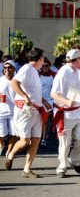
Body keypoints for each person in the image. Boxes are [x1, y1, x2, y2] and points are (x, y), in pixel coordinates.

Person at [51, 49, 80, 178]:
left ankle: (74, 160)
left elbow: (76, 90)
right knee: (65, 142)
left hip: (77, 111)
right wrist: (66, 101)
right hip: (65, 113)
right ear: (76, 59)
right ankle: (61, 167)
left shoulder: (75, 71)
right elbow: (53, 93)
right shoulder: (63, 72)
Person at [5, 48, 46, 178]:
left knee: (35, 140)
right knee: (24, 141)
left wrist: (43, 101)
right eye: (43, 58)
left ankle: (27, 169)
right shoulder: (27, 69)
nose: (43, 60)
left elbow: (33, 90)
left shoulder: (35, 71)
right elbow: (14, 83)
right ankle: (10, 154)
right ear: (40, 59)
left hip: (37, 110)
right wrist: (25, 97)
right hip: (26, 110)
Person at [0, 60, 17, 156]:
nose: (7, 69)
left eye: (9, 67)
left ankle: (9, 150)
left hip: (14, 111)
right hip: (1, 111)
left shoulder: (17, 81)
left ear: (14, 69)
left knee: (14, 133)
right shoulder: (0, 80)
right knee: (1, 134)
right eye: (5, 68)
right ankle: (2, 145)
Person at [39, 58, 56, 147]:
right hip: (39, 99)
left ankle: (43, 139)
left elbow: (56, 89)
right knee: (40, 119)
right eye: (43, 66)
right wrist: (43, 101)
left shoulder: (53, 75)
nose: (44, 67)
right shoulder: (38, 75)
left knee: (45, 118)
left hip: (50, 100)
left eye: (46, 66)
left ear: (49, 66)